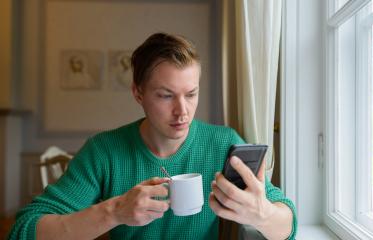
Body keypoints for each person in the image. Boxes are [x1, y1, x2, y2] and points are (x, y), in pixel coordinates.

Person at [8, 32, 297, 240]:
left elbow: (289, 224)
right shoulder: (104, 151)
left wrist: (264, 215)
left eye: (191, 94)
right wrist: (114, 212)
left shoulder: (223, 143)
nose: (182, 111)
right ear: (138, 93)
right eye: (165, 95)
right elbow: (24, 230)